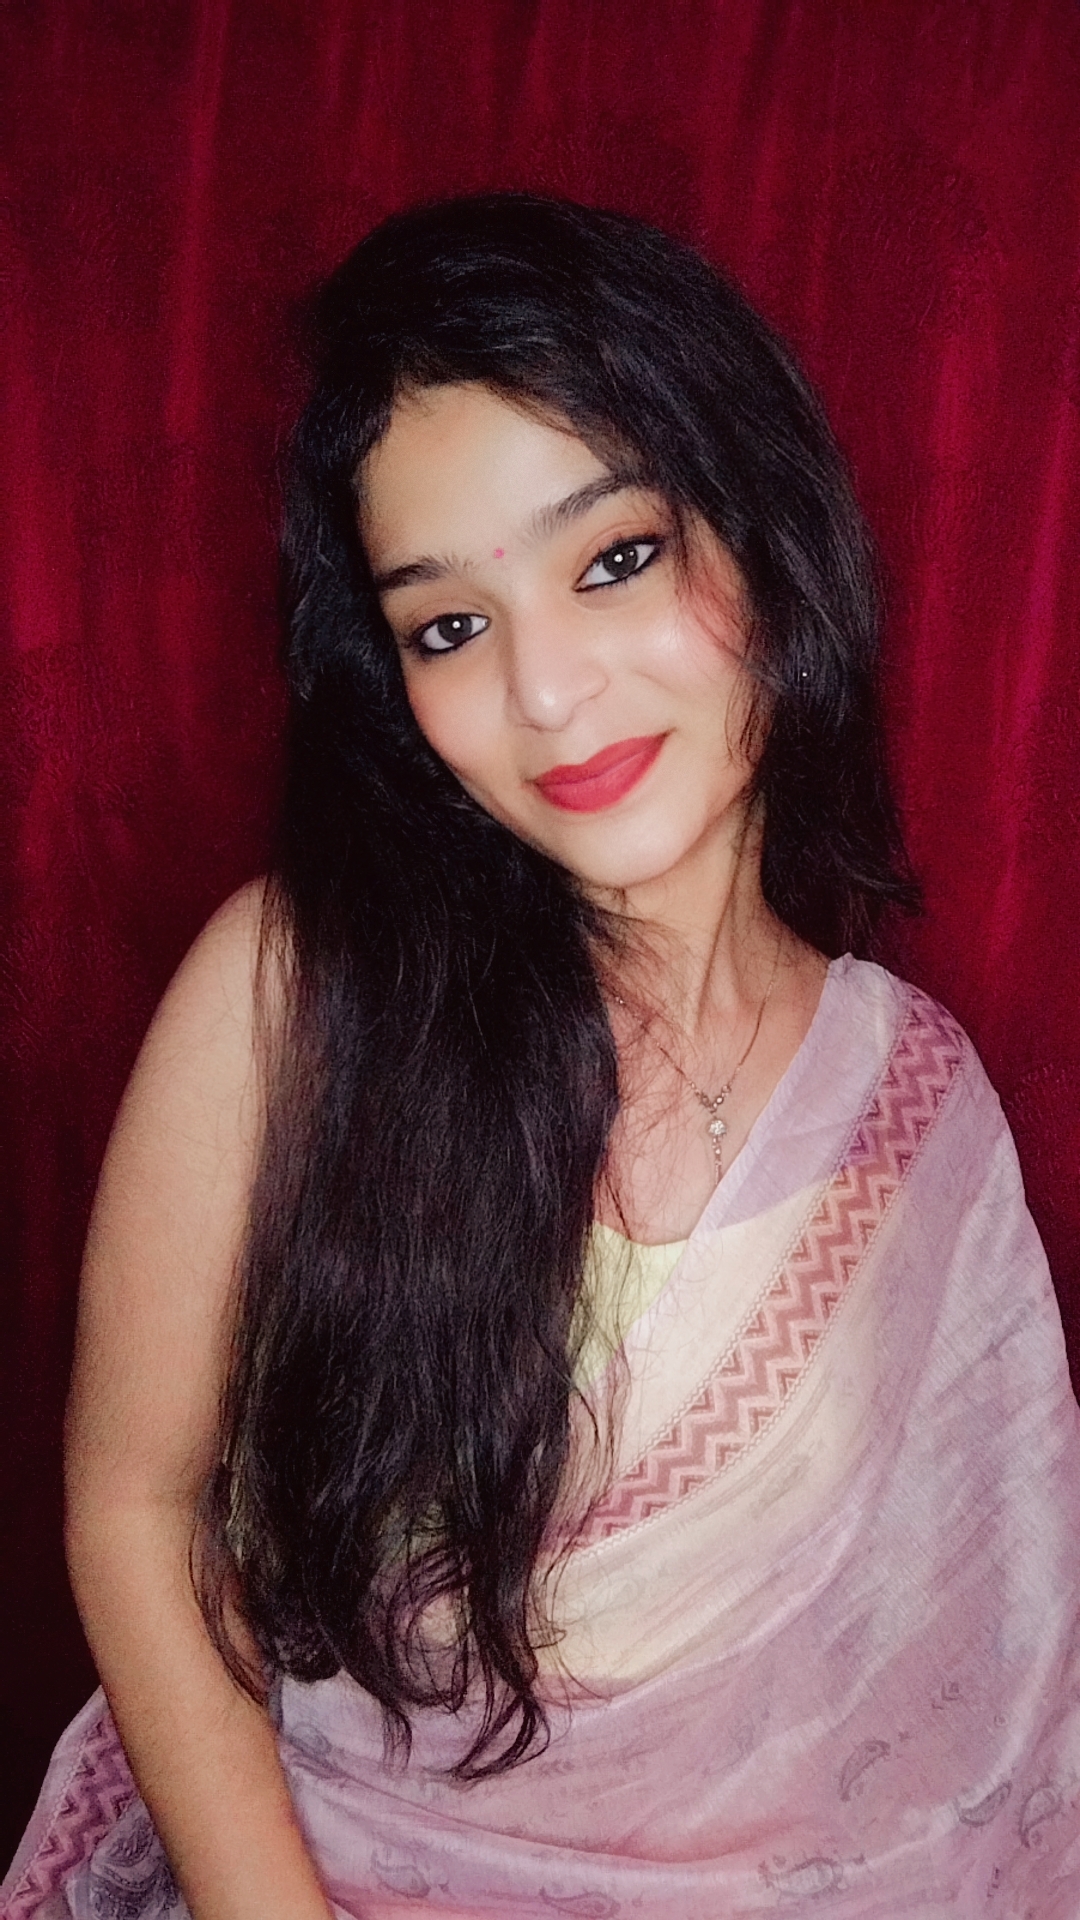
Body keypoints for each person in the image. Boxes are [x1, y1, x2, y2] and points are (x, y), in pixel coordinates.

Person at [4, 193, 1080, 1920]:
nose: (549, 693)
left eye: (613, 559)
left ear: (764, 530)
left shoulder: (913, 1109)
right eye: (449, 625)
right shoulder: (299, 994)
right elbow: (136, 1507)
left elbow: (971, 1720)